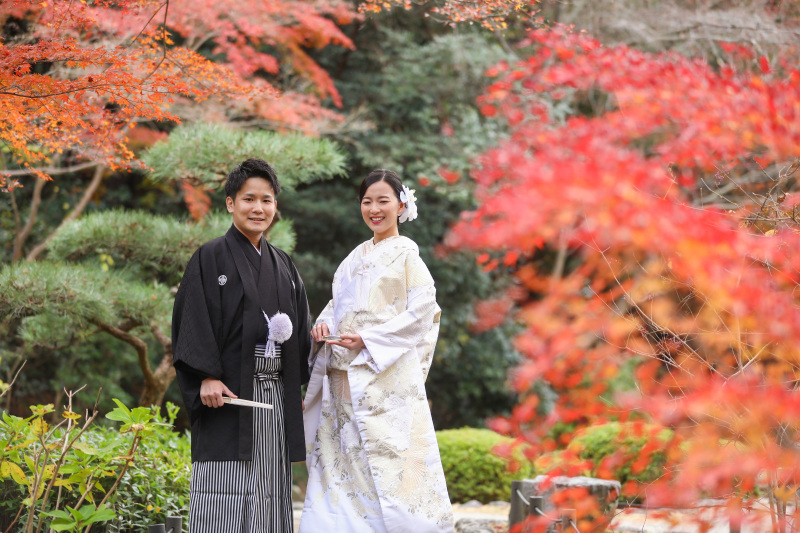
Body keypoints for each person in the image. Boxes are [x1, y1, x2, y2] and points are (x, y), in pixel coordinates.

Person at [300, 169, 454, 532]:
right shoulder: (354, 258)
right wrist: (323, 326)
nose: (374, 209)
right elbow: (339, 305)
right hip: (343, 379)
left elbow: (423, 312)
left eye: (383, 201)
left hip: (383, 381)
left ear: (402, 205)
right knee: (342, 463)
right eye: (367, 201)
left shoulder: (407, 257)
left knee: (387, 464)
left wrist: (368, 340)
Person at [172, 158, 312, 533]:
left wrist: (300, 379)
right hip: (228, 393)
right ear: (231, 203)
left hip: (272, 398)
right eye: (249, 199)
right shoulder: (210, 256)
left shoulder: (283, 264)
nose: (258, 208)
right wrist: (205, 376)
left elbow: (300, 331)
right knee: (224, 492)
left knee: (269, 493)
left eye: (267, 200)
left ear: (275, 207)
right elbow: (193, 319)